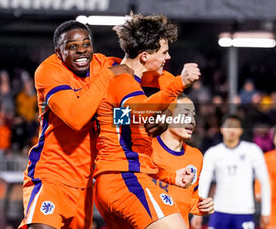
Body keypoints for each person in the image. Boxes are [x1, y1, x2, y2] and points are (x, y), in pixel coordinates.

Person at [19, 20, 134, 229]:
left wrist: (178, 83)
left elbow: (144, 70)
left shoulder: (103, 64)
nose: (81, 51)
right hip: (52, 176)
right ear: (58, 52)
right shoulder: (49, 71)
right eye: (72, 46)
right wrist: (108, 77)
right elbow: (76, 118)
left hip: (85, 183)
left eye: (86, 44)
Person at [93, 13, 201, 229]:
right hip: (124, 180)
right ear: (144, 56)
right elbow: (143, 112)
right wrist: (179, 82)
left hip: (116, 180)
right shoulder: (123, 81)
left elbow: (128, 124)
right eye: (164, 52)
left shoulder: (122, 82)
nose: (168, 58)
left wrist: (169, 176)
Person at [195, 114, 271, 229]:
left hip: (244, 210)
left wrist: (266, 212)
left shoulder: (253, 151)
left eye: (235, 127)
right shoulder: (213, 153)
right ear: (221, 129)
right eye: (228, 126)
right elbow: (204, 181)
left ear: (241, 130)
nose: (231, 130)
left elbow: (265, 181)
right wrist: (198, 212)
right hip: (219, 210)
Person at [150, 94, 214, 228]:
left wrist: (202, 206)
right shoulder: (147, 150)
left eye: (193, 115)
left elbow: (191, 197)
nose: (192, 121)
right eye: (185, 115)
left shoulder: (196, 156)